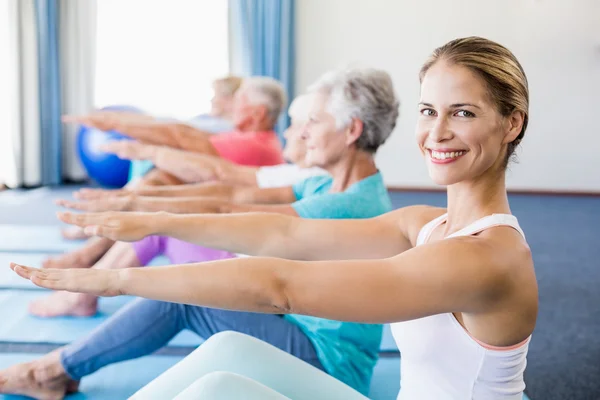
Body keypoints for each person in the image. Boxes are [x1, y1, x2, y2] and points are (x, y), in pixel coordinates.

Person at [0, 66, 401, 400]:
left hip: (329, 363)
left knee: (187, 297)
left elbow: (238, 212)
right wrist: (143, 202)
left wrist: (147, 213)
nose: (301, 133)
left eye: (313, 122)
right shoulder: (329, 183)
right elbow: (234, 190)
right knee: (190, 289)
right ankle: (56, 366)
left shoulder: (344, 204)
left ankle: (52, 371)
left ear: (351, 131)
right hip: (301, 329)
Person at [30, 93, 326, 317]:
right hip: (253, 252)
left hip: (253, 263)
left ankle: (83, 286)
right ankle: (89, 253)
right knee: (161, 191)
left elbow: (216, 178)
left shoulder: (269, 152)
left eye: (302, 126)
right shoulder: (290, 168)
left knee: (158, 223)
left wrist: (128, 136)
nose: (291, 132)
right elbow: (220, 181)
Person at [45, 76, 287, 270]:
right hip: (225, 205)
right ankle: (89, 251)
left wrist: (116, 124)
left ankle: (88, 257)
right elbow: (186, 135)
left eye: (240, 100)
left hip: (235, 230)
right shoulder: (251, 137)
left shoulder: (256, 143)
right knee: (159, 179)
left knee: (153, 197)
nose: (232, 105)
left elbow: (183, 137)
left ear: (258, 114)